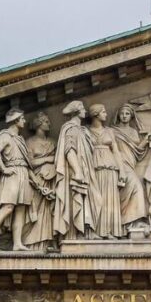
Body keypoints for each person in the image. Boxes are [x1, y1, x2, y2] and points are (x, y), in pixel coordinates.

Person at [0, 109, 34, 251]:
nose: (24, 121)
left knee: (20, 210)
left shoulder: (19, 138)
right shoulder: (5, 135)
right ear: (15, 120)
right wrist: (4, 169)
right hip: (12, 174)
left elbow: (26, 163)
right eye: (22, 118)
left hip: (22, 174)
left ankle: (17, 243)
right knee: (8, 207)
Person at [52, 101, 97, 241]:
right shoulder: (71, 129)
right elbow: (69, 150)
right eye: (83, 108)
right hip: (77, 172)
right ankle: (76, 233)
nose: (85, 111)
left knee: (91, 199)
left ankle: (86, 230)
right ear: (77, 111)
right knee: (77, 199)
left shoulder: (81, 129)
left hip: (86, 170)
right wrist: (77, 171)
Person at [88, 103, 127, 238]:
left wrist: (122, 171)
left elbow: (116, 152)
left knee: (111, 199)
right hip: (95, 169)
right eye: (103, 112)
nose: (106, 114)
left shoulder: (109, 131)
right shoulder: (86, 131)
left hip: (111, 168)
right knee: (97, 199)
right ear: (96, 114)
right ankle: (97, 231)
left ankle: (110, 231)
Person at [112, 104, 151, 227]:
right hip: (119, 164)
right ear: (118, 116)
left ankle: (129, 221)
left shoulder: (134, 132)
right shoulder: (113, 131)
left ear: (131, 116)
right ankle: (135, 221)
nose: (124, 116)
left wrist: (146, 141)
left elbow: (136, 150)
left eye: (127, 114)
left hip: (130, 164)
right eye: (122, 113)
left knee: (131, 190)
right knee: (137, 187)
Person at [23, 112, 58, 250]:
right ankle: (31, 242)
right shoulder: (29, 142)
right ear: (39, 124)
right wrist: (47, 159)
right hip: (36, 181)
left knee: (49, 211)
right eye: (46, 121)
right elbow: (28, 163)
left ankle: (49, 241)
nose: (49, 124)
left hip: (52, 180)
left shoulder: (53, 142)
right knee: (35, 210)